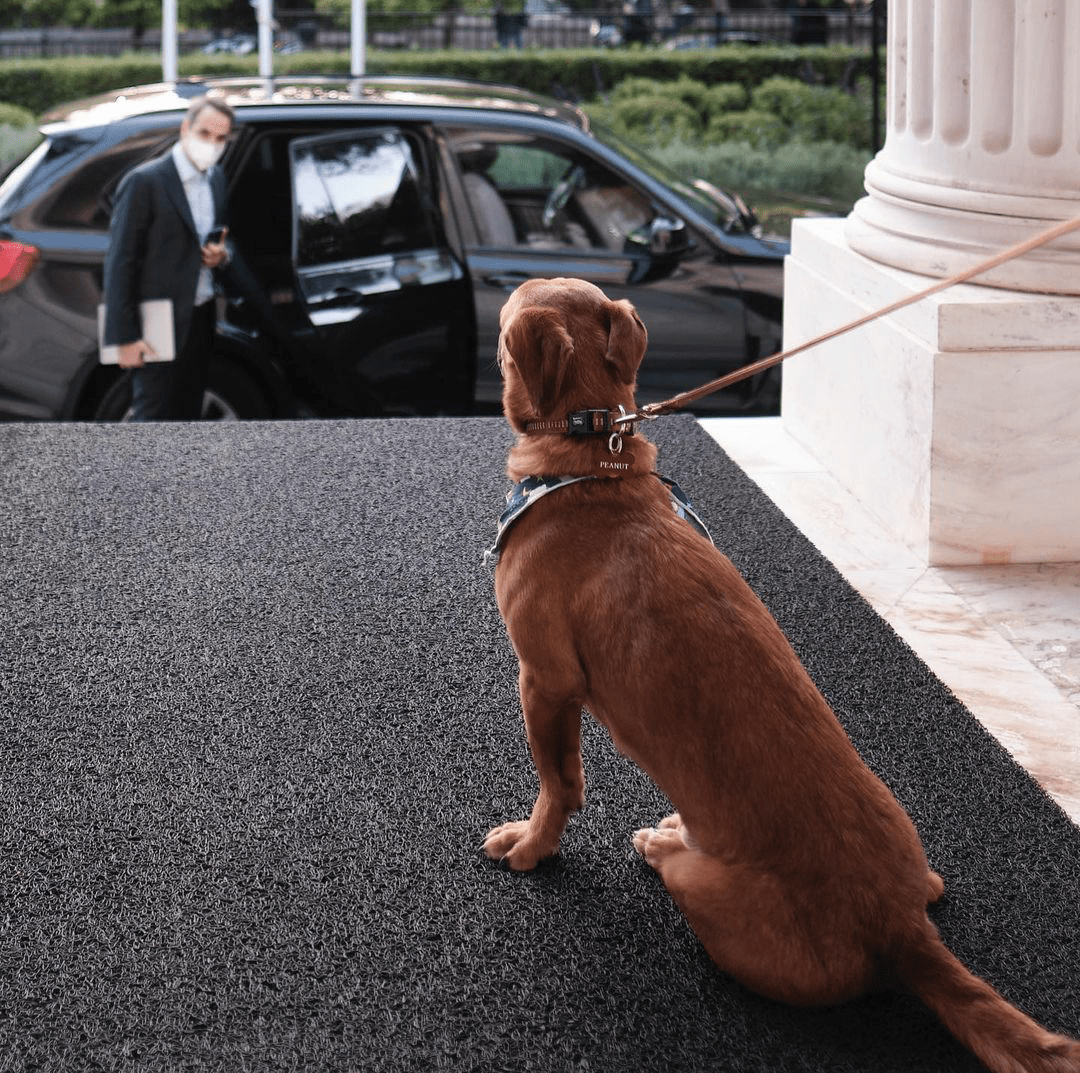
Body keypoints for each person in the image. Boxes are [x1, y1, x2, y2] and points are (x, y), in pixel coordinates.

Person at [102, 95, 234, 421]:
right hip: (156, 321)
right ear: (186, 128)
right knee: (153, 418)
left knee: (188, 413)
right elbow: (121, 262)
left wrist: (220, 256)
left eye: (220, 139)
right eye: (205, 134)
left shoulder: (215, 177)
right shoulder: (145, 181)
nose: (212, 144)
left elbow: (212, 238)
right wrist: (125, 337)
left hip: (201, 316)